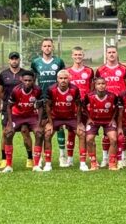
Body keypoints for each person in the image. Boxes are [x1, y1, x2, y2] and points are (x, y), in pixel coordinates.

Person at [31, 38, 66, 167]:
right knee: (40, 127)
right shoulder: (36, 62)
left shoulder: (59, 62)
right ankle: (39, 157)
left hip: (56, 99)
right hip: (42, 99)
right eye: (45, 46)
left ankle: (62, 156)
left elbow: (63, 78)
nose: (47, 48)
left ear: (52, 47)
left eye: (49, 46)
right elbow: (33, 81)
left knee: (59, 126)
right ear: (41, 48)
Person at [0, 52, 32, 168]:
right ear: (9, 60)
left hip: (23, 108)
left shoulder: (25, 74)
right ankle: (4, 159)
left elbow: (31, 88)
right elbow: (0, 91)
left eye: (16, 59)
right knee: (5, 133)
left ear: (19, 60)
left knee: (25, 131)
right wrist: (5, 102)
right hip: (8, 108)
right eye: (12, 59)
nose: (14, 61)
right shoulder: (3, 74)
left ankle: (30, 158)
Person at [2, 70, 42, 172]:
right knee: (8, 134)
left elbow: (41, 107)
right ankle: (8, 165)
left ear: (33, 80)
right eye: (25, 80)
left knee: (39, 133)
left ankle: (36, 165)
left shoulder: (37, 90)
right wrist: (10, 124)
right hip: (17, 115)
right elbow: (8, 107)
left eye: (30, 80)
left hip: (31, 115)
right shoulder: (16, 90)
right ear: (21, 80)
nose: (27, 82)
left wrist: (39, 123)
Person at [96, 45, 126, 167]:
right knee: (106, 133)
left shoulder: (124, 69)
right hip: (105, 105)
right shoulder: (100, 70)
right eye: (109, 52)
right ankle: (105, 158)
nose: (111, 54)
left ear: (117, 53)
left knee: (121, 132)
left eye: (113, 52)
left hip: (120, 104)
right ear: (106, 54)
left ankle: (123, 157)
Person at [42, 70, 82, 171]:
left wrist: (79, 123)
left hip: (70, 117)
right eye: (61, 78)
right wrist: (50, 123)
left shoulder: (75, 89)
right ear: (57, 79)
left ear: (69, 79)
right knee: (47, 134)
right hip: (56, 117)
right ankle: (47, 163)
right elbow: (47, 106)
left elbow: (78, 106)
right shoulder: (51, 89)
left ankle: (82, 164)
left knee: (82, 133)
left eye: (65, 78)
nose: (63, 80)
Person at [83, 75, 120, 170]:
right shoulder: (89, 96)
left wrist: (112, 119)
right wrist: (89, 118)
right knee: (89, 139)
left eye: (103, 83)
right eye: (99, 84)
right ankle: (93, 163)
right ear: (95, 85)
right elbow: (82, 106)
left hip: (108, 121)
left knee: (114, 139)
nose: (101, 86)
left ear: (106, 85)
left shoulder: (112, 96)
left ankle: (112, 163)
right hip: (94, 121)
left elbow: (117, 107)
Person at [66, 46, 94, 168]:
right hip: (72, 107)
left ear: (83, 56)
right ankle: (70, 159)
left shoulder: (89, 71)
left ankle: (88, 158)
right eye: (75, 55)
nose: (78, 57)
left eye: (80, 55)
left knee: (87, 133)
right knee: (71, 132)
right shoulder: (67, 72)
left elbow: (92, 88)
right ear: (72, 56)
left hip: (86, 107)